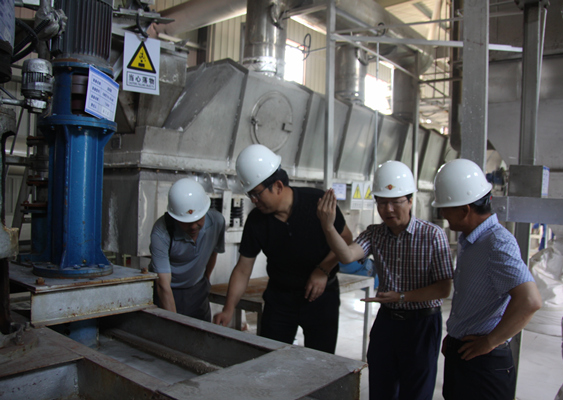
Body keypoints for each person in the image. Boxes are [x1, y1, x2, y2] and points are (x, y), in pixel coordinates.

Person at [317, 160, 454, 400]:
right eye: (381, 202)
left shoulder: (433, 235)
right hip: (388, 323)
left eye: (395, 202)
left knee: (416, 392)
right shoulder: (375, 233)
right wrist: (328, 227)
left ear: (410, 200)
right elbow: (347, 255)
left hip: (421, 324)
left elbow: (444, 288)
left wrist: (402, 297)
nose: (388, 209)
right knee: (381, 388)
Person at [213, 144, 352, 354]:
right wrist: (228, 309)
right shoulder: (256, 221)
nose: (254, 201)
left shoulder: (317, 202)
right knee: (270, 358)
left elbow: (347, 239)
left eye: (257, 194)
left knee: (322, 361)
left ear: (278, 186)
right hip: (280, 299)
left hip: (321, 297)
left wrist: (323, 270)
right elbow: (243, 269)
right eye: (250, 195)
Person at [431, 159, 542, 400]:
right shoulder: (472, 239)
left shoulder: (496, 243)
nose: (442, 214)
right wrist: (456, 334)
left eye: (445, 208)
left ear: (464, 210)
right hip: (464, 352)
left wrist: (490, 341)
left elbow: (529, 301)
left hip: (484, 364)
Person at [150, 177, 226, 322]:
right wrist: (174, 325)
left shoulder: (217, 222)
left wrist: (205, 280)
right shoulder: (161, 233)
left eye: (198, 220)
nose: (193, 226)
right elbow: (163, 285)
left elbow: (213, 253)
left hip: (197, 290)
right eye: (186, 222)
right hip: (169, 291)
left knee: (202, 333)